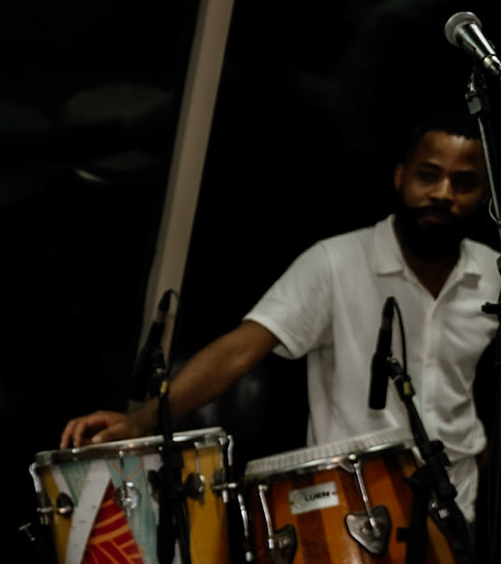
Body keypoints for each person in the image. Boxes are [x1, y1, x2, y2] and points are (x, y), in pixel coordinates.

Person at [61, 111, 496, 515]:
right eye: (428, 176)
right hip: (356, 511)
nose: (443, 194)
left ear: (484, 195)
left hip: (459, 510)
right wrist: (141, 421)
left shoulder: (492, 274)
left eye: (463, 182)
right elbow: (241, 350)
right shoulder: (336, 262)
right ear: (400, 178)